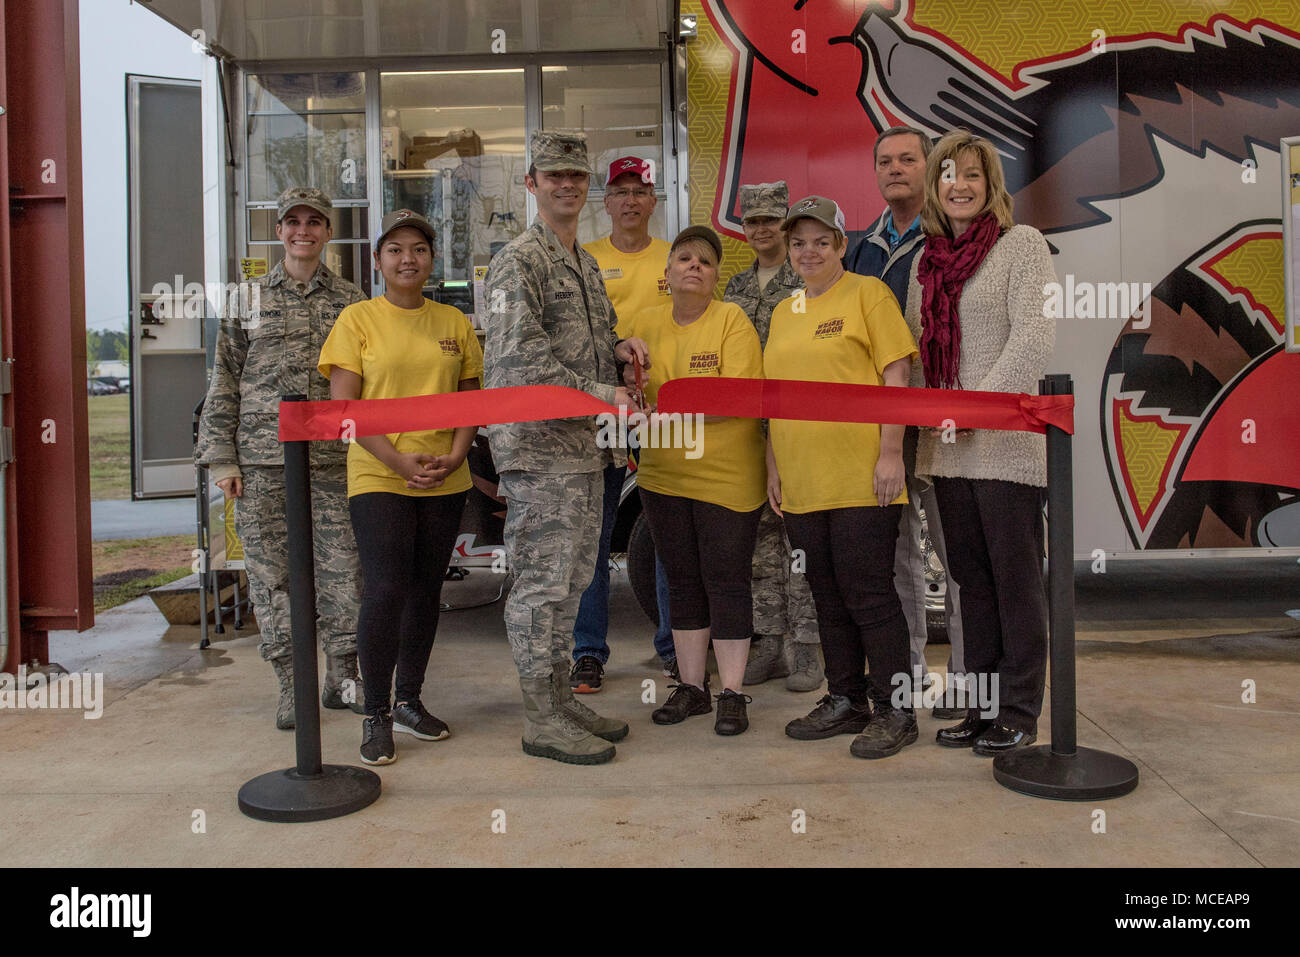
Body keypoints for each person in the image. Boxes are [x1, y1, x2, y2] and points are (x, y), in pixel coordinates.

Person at [484, 131, 649, 765]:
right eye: (553, 176)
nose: (567, 186)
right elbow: (521, 361)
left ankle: (558, 699)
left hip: (584, 449)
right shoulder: (516, 261)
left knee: (575, 580)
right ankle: (538, 718)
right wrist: (606, 393)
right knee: (541, 586)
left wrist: (618, 349)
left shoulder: (579, 261)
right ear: (532, 184)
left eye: (576, 177)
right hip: (540, 451)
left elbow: (578, 342)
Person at [904, 130, 1056, 756]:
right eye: (947, 174)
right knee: (973, 584)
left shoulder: (1023, 247)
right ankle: (985, 706)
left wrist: (975, 409)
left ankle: (1020, 711)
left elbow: (1034, 339)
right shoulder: (927, 260)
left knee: (1015, 584)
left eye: (971, 174)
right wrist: (922, 423)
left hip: (1006, 448)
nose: (958, 185)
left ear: (990, 185)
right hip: (947, 451)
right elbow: (917, 353)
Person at [195, 186, 365, 730]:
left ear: (327, 232)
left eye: (314, 222)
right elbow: (223, 380)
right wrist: (222, 460)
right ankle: (293, 684)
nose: (303, 231)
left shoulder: (351, 300)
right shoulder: (246, 299)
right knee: (273, 579)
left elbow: (368, 379)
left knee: (344, 573)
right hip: (263, 464)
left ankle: (343, 677)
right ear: (278, 230)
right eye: (293, 221)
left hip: (334, 463)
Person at [318, 209, 482, 766]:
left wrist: (457, 454)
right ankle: (376, 712)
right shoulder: (357, 320)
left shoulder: (454, 322)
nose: (407, 258)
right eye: (395, 249)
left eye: (418, 248)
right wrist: (396, 460)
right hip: (378, 473)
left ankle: (410, 701)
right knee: (386, 589)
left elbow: (470, 402)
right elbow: (345, 410)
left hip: (444, 475)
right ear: (378, 260)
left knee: (424, 591)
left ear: (432, 259)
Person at [765, 196, 920, 759]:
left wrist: (891, 452)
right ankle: (846, 697)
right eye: (799, 242)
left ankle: (896, 709)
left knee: (869, 594)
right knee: (826, 596)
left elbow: (896, 375)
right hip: (802, 480)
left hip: (861, 475)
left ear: (840, 244)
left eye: (821, 242)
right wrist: (774, 468)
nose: (809, 252)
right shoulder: (785, 311)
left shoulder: (868, 295)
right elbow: (774, 398)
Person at [624, 225, 767, 736]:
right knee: (682, 581)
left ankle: (732, 691)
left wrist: (663, 417)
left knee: (726, 580)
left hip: (726, 478)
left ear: (715, 277)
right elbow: (628, 382)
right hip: (663, 477)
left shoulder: (733, 321)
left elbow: (734, 398)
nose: (693, 267)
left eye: (705, 262)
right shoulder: (645, 322)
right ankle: (692, 688)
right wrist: (623, 350)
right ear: (667, 274)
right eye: (684, 258)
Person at [846, 126, 965, 720]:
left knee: (957, 553)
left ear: (930, 168)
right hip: (880, 428)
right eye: (886, 161)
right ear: (875, 173)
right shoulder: (860, 248)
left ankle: (969, 680)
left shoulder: (951, 239)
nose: (897, 169)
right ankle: (909, 674)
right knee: (896, 561)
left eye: (908, 160)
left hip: (940, 422)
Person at [570, 156, 675, 692]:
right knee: (596, 530)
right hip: (603, 412)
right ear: (606, 203)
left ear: (653, 200)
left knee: (664, 531)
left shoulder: (675, 258)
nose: (631, 200)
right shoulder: (584, 261)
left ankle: (674, 647)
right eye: (621, 191)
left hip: (665, 417)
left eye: (641, 190)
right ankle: (587, 651)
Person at [722, 181, 822, 693]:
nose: (761, 229)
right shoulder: (734, 288)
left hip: (797, 426)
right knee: (759, 543)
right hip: (747, 431)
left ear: (785, 224)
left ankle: (807, 648)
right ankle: (768, 644)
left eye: (769, 220)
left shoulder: (807, 281)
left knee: (800, 538)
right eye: (752, 221)